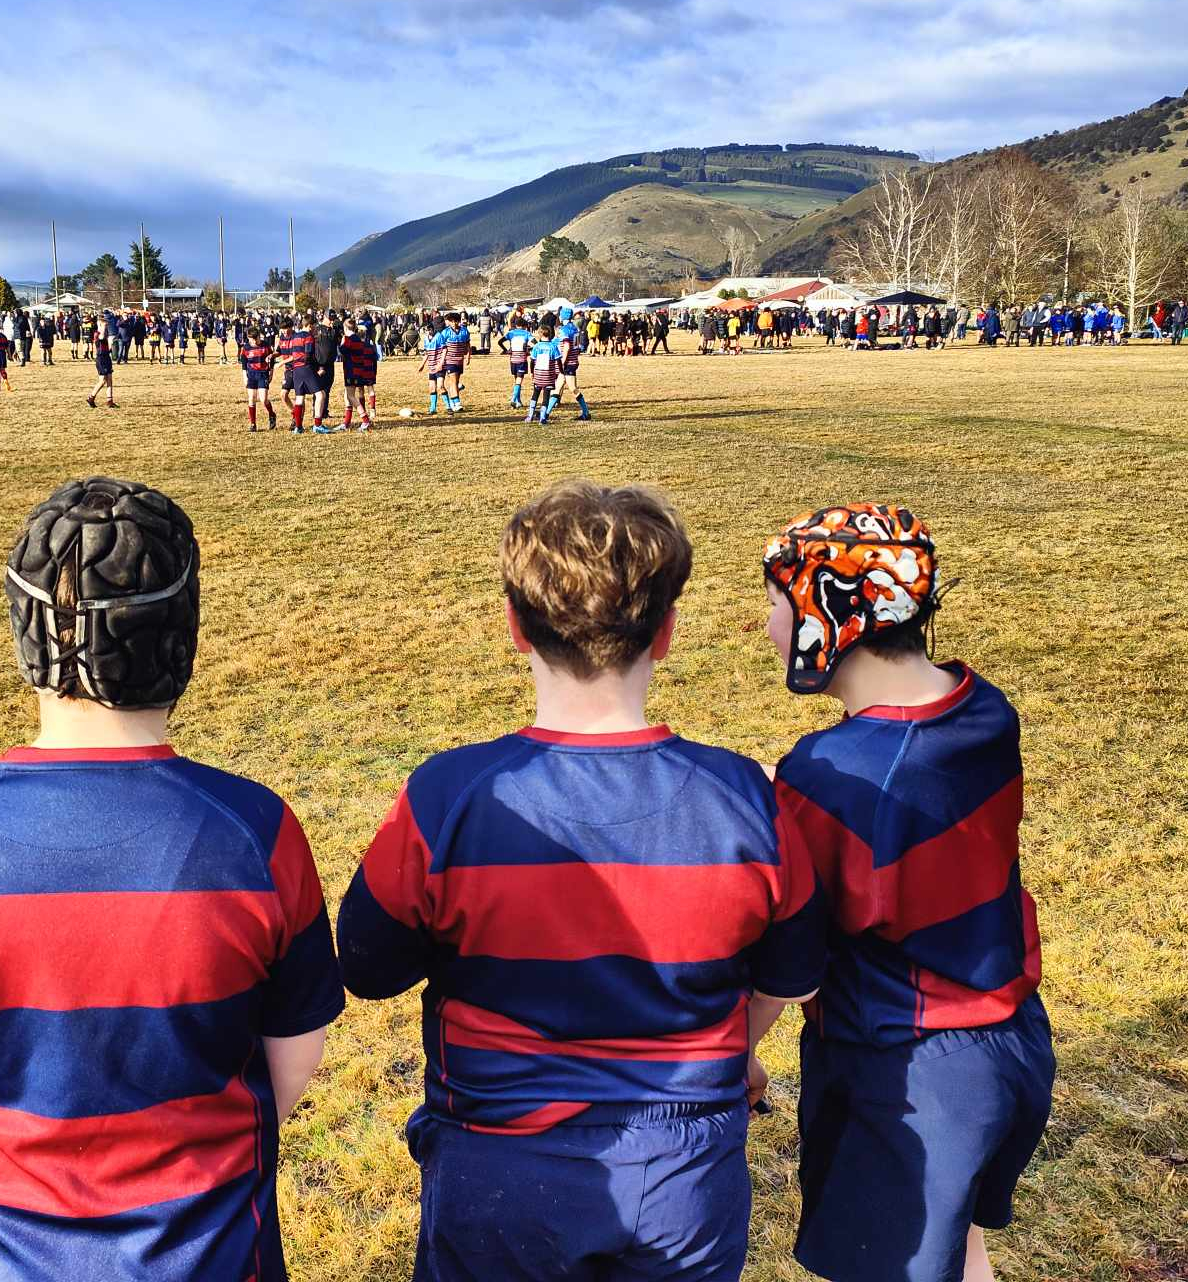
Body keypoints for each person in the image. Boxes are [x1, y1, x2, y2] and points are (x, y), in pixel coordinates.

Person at [337, 481, 824, 1282]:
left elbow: (368, 967)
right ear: (666, 634)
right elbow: (793, 972)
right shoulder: (747, 798)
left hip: (497, 1163)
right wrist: (735, 1046)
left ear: (514, 626)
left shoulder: (449, 797)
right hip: (687, 1174)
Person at [0, 479, 344, 1281]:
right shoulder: (255, 831)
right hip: (203, 1251)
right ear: (183, 633)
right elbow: (292, 1057)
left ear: (24, 636)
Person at [761, 505, 1053, 1282]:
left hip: (908, 1074)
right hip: (1011, 1042)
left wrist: (736, 1053)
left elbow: (795, 957)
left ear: (829, 618)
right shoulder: (982, 707)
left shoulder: (831, 777)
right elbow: (898, 803)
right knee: (957, 1251)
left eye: (778, 604)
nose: (767, 627)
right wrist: (789, 791)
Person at [336, 315, 378, 432]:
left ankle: (365, 420)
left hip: (351, 371)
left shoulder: (349, 339)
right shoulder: (358, 339)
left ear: (345, 328)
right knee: (347, 396)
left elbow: (342, 352)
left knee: (350, 396)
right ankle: (346, 422)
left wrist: (342, 342)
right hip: (357, 370)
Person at [240, 325, 278, 431]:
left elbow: (272, 360)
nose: (251, 342)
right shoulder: (246, 347)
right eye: (249, 340)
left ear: (258, 337)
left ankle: (271, 414)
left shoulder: (266, 345)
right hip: (251, 374)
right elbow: (244, 362)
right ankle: (253, 424)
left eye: (253, 340)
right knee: (251, 398)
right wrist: (245, 376)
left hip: (263, 374)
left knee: (263, 399)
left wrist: (271, 373)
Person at [502, 316, 533, 407]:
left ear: (515, 325)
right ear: (524, 326)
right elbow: (536, 343)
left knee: (516, 380)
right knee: (519, 381)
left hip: (513, 360)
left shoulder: (511, 333)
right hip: (522, 360)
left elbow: (500, 341)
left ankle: (518, 401)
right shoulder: (527, 333)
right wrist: (528, 350)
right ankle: (513, 398)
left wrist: (505, 350)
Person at [88, 315, 117, 408]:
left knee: (109, 379)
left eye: (107, 325)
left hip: (106, 357)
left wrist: (111, 344)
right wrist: (103, 327)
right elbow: (101, 337)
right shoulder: (97, 333)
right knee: (103, 380)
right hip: (101, 358)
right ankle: (91, 398)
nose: (106, 327)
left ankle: (110, 401)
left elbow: (106, 344)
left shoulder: (106, 333)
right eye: (104, 325)